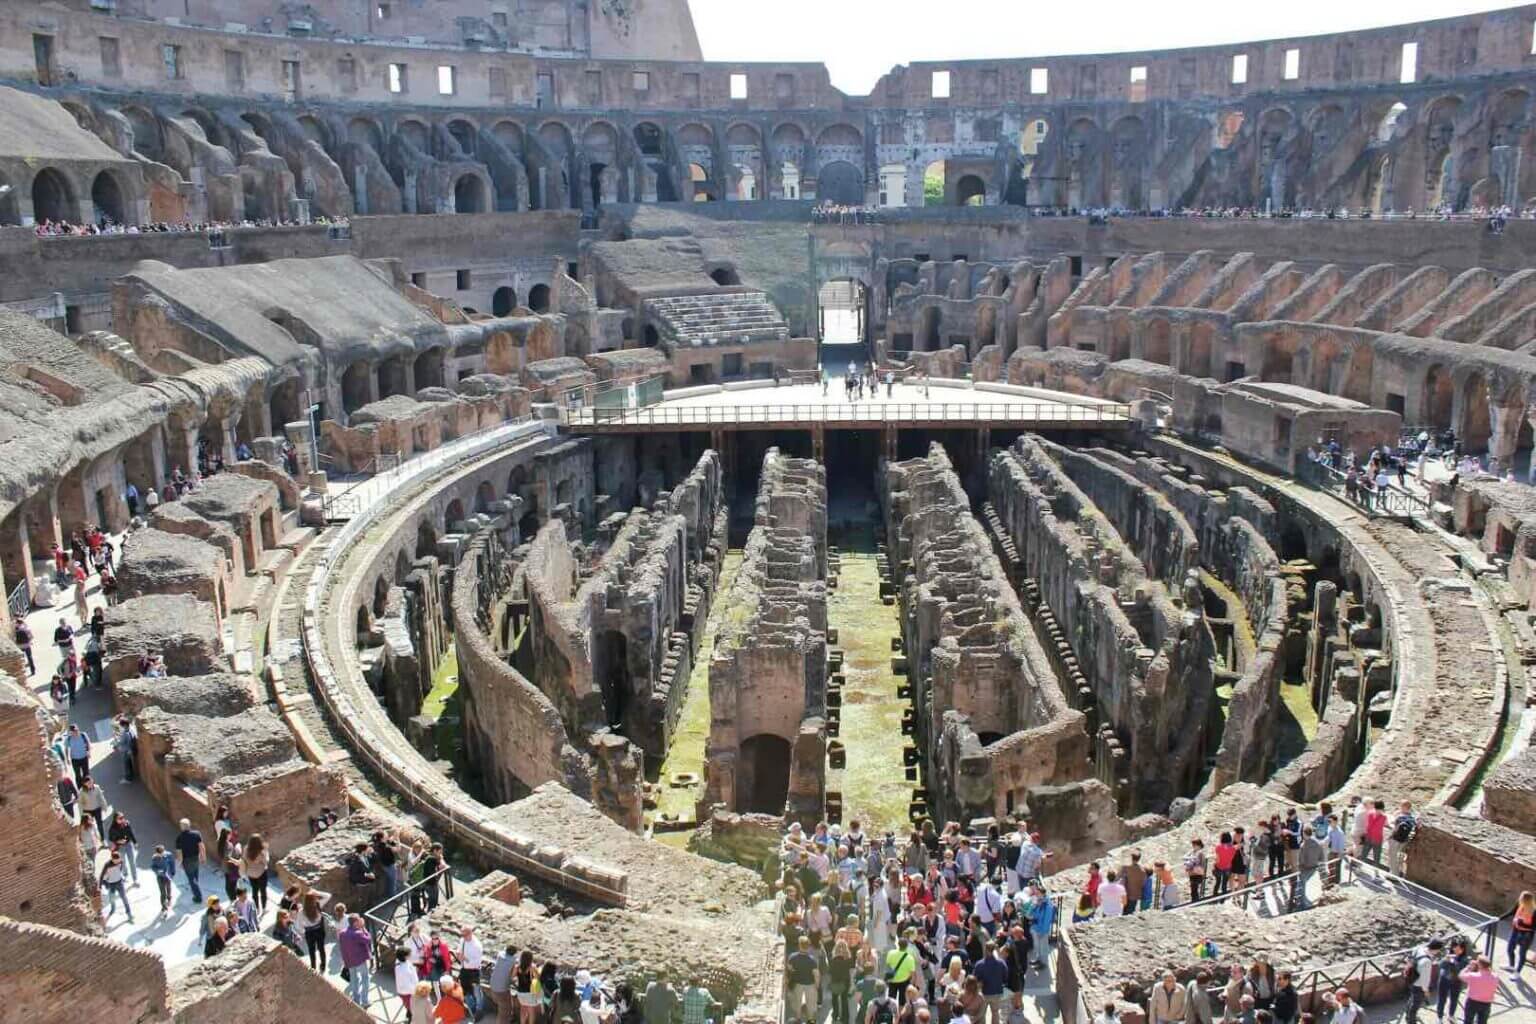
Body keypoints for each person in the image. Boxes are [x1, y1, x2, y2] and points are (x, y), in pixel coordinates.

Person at [339, 913, 373, 1006]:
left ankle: (356, 1000)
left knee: (354, 980)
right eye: (358, 920)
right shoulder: (358, 933)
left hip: (349, 960)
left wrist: (344, 960)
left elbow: (342, 947)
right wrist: (363, 928)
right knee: (365, 979)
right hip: (360, 960)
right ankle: (365, 1001)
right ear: (355, 923)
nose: (360, 921)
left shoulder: (342, 933)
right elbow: (368, 939)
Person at [1405, 940, 1441, 1024]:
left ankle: (1407, 1015)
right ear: (1436, 949)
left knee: (1412, 998)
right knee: (1415, 1005)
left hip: (1411, 978)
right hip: (1418, 985)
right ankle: (1411, 1021)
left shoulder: (1419, 949)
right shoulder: (1427, 962)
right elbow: (1425, 979)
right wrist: (1426, 991)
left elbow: (1412, 954)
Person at [1435, 937, 1470, 1021]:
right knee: (1441, 999)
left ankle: (1451, 1015)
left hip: (1456, 981)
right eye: (1455, 948)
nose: (1457, 951)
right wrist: (1445, 959)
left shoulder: (1465, 958)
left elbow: (1461, 970)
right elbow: (1440, 965)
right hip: (1444, 979)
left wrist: (1454, 962)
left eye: (1460, 949)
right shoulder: (1448, 953)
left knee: (1454, 999)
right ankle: (1440, 1017)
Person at [788, 935, 820, 1023]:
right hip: (810, 984)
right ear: (808, 946)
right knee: (810, 1005)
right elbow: (816, 974)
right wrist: (817, 985)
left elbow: (790, 969)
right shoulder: (812, 960)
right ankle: (810, 1020)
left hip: (797, 983)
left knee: (797, 1003)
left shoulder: (792, 957)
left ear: (799, 945)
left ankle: (798, 1019)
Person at [1459, 956, 1498, 1024]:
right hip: (1486, 1003)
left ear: (1480, 965)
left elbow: (1461, 975)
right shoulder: (1495, 977)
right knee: (1482, 1022)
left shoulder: (1473, 976)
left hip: (1472, 1002)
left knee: (1468, 1021)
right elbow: (1491, 972)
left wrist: (1468, 967)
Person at [1504, 889, 1535, 974]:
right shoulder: (1519, 904)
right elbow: (1511, 912)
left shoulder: (1534, 911)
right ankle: (1511, 966)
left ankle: (1517, 972)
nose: (1519, 898)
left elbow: (1533, 927)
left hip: (1526, 934)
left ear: (1526, 900)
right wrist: (1499, 918)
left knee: (1522, 954)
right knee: (1510, 949)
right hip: (1515, 930)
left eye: (1521, 897)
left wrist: (1521, 923)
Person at [100, 850, 133, 922]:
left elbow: (120, 869)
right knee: (112, 898)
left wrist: (119, 876)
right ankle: (113, 908)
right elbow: (102, 876)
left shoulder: (120, 861)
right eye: (116, 861)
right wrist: (101, 885)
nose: (117, 862)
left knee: (124, 898)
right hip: (111, 884)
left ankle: (129, 912)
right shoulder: (107, 865)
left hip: (119, 882)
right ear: (112, 859)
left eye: (118, 860)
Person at [241, 833, 270, 914]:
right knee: (263, 891)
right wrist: (266, 852)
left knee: (254, 891)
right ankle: (264, 909)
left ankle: (257, 909)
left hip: (251, 874)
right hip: (261, 873)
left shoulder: (246, 849)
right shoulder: (261, 851)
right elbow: (266, 862)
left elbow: (244, 859)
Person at [1388, 800, 1418, 875]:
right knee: (1400, 857)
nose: (1399, 807)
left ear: (1404, 807)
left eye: (1401, 806)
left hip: (1395, 839)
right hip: (1404, 841)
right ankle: (1400, 871)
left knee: (1392, 856)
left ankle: (1393, 874)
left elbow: (1394, 828)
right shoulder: (1412, 818)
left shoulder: (1400, 817)